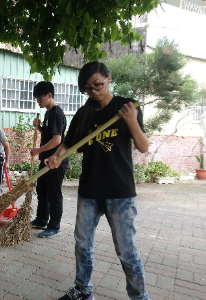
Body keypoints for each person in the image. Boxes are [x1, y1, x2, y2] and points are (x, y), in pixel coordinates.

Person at [47, 62, 150, 300]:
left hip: (119, 191)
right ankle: (83, 290)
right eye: (88, 88)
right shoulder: (84, 113)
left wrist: (131, 120)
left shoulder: (126, 106)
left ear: (108, 79)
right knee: (82, 244)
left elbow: (143, 147)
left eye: (98, 85)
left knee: (126, 251)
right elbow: (69, 143)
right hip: (90, 189)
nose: (94, 91)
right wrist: (56, 156)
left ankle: (140, 297)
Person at [30, 81, 69, 238]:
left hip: (56, 161)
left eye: (40, 98)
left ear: (49, 95)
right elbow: (48, 134)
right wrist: (39, 127)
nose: (38, 101)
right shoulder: (48, 113)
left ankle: (54, 226)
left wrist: (38, 150)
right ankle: (41, 220)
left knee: (54, 194)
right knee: (42, 191)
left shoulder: (57, 114)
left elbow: (56, 140)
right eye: (36, 99)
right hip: (45, 160)